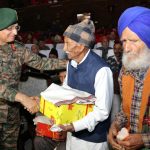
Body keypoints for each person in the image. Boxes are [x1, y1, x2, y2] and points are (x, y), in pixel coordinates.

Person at [0, 8, 66, 150]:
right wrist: (23, 98)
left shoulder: (18, 49)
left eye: (16, 27)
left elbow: (41, 63)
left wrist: (68, 63)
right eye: (9, 28)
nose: (16, 32)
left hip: (11, 113)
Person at [59, 19, 113, 150]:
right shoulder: (71, 63)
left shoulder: (101, 70)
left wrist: (75, 125)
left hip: (92, 141)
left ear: (81, 46)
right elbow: (66, 91)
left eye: (68, 43)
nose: (64, 48)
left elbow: (102, 111)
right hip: (72, 133)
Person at [108, 6, 150, 150]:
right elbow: (125, 109)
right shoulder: (125, 70)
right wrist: (115, 124)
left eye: (133, 40)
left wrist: (145, 139)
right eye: (124, 41)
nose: (126, 48)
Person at [106, 40, 122, 122]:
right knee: (115, 110)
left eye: (119, 49)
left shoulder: (125, 60)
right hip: (114, 89)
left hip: (124, 88)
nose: (117, 51)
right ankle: (113, 128)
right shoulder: (109, 60)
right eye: (115, 49)